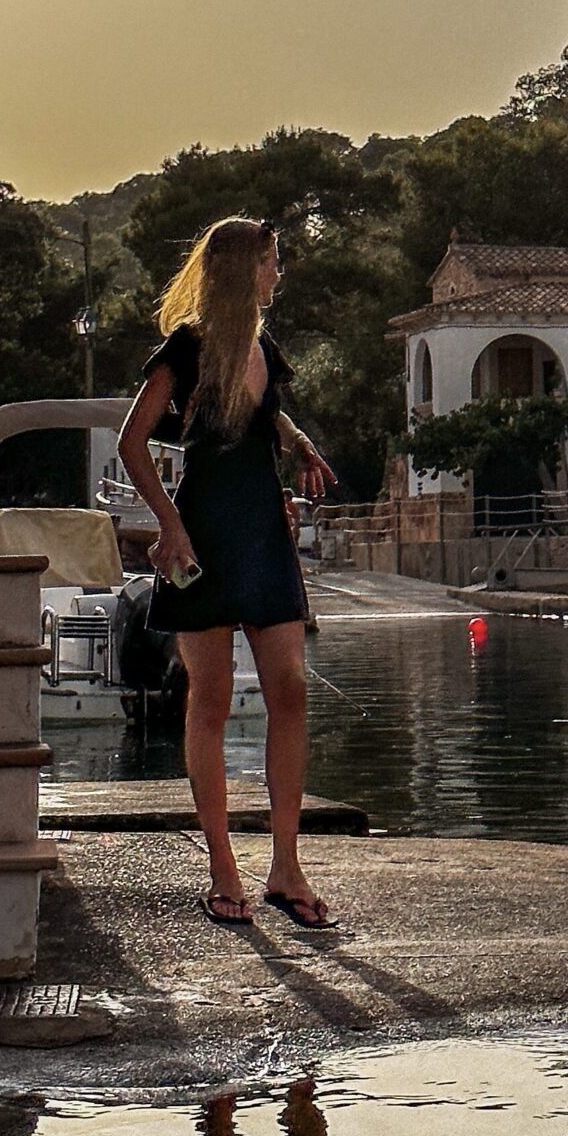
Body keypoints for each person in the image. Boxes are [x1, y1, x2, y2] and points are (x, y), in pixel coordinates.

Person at [118, 216, 336, 932]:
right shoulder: (186, 349)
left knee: (293, 690)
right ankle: (221, 866)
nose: (280, 273)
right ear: (247, 269)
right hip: (202, 537)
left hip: (265, 536)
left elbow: (265, 416)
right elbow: (132, 442)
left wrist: (299, 445)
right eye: (274, 262)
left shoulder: (264, 347)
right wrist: (170, 526)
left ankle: (285, 866)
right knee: (209, 700)